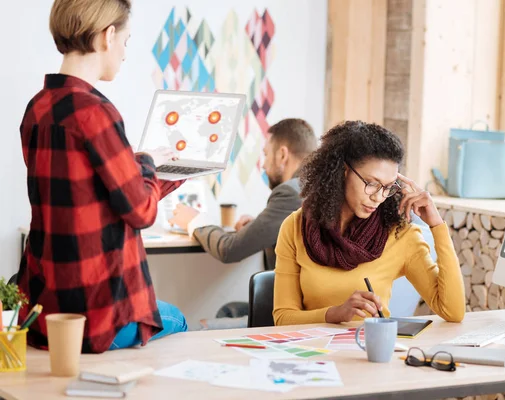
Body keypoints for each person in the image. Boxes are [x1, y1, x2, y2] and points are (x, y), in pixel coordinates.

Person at [17, 0, 188, 354]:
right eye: (126, 41)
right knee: (180, 321)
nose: (125, 53)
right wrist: (147, 164)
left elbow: (93, 194)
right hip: (98, 317)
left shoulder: (37, 108)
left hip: (45, 313)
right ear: (108, 36)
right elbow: (141, 211)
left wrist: (150, 166)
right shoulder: (96, 112)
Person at [273, 121, 465, 326]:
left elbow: (452, 311)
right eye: (372, 183)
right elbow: (283, 317)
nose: (379, 197)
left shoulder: (400, 235)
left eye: (388, 187)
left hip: (371, 352)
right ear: (343, 171)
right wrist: (335, 313)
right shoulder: (295, 227)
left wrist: (437, 225)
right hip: (313, 353)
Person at [169, 118, 316, 330]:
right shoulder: (312, 188)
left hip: (297, 312)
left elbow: (229, 250)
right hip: (303, 303)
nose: (263, 165)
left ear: (282, 154)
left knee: (204, 327)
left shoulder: (291, 192)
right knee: (230, 310)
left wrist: (194, 220)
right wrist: (259, 224)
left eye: (265, 155)